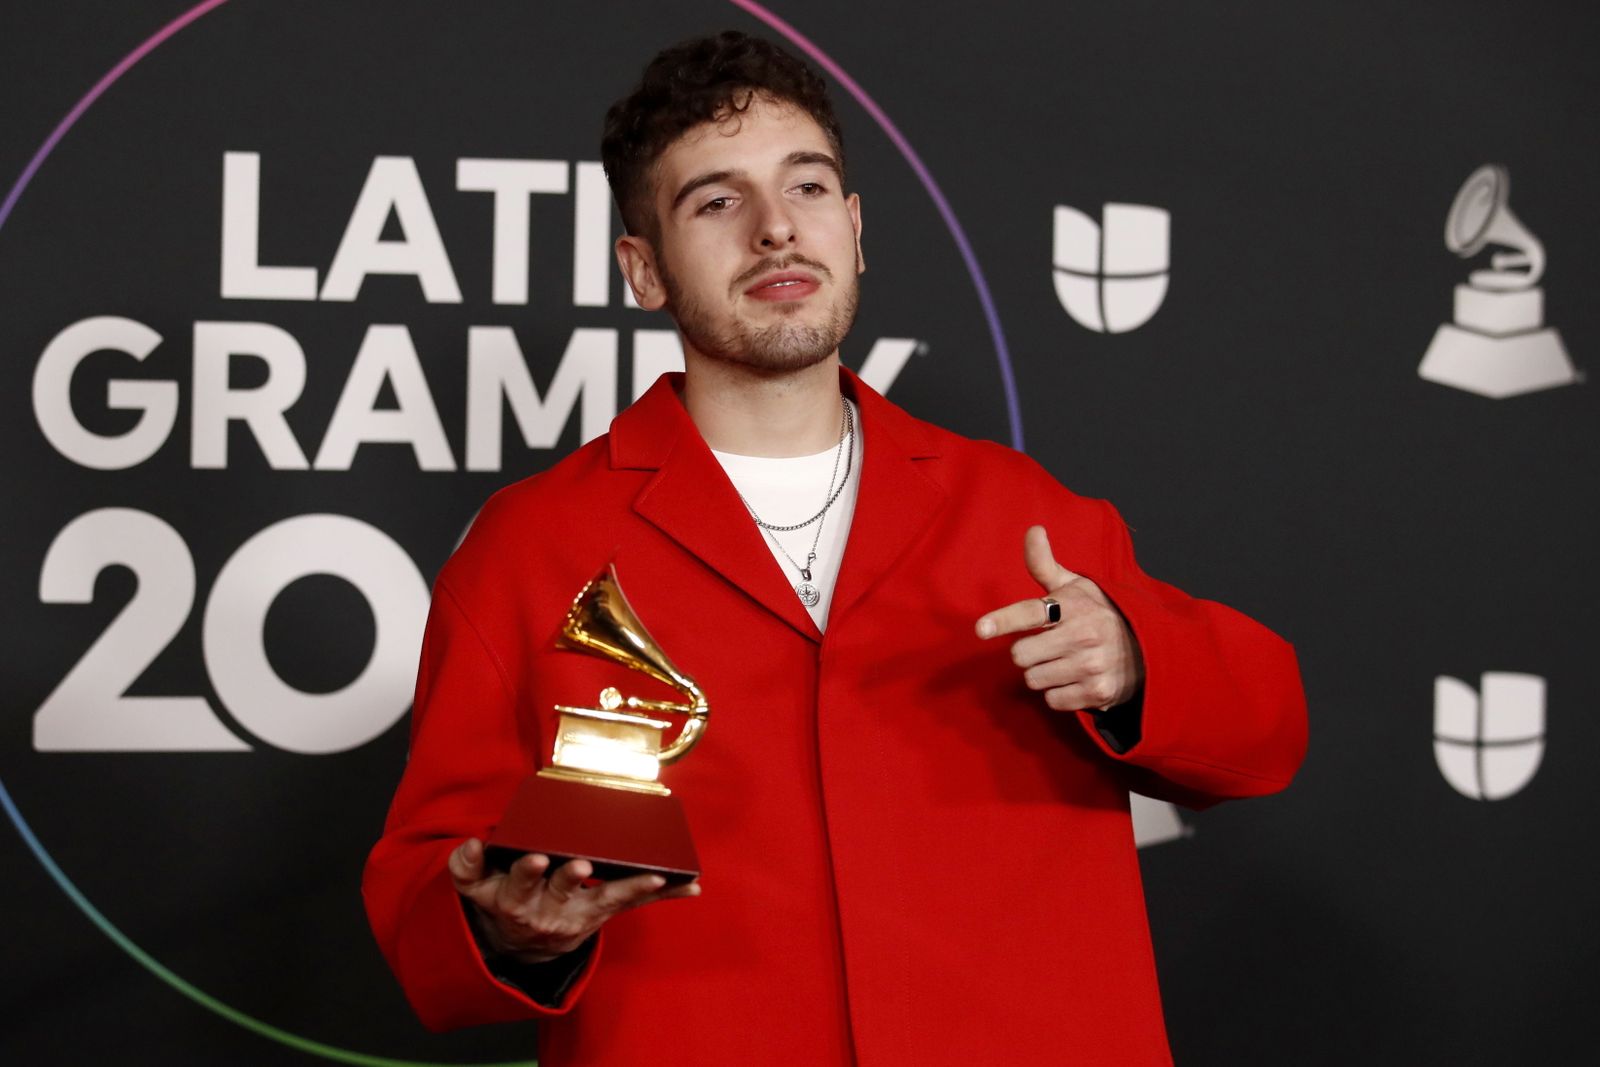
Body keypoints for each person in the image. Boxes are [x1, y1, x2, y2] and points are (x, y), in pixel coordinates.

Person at [363, 30, 1307, 1066]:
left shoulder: (1022, 511)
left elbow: (1267, 731)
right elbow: (424, 895)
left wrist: (1133, 659)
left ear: (853, 230)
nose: (775, 228)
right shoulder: (526, 548)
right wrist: (509, 930)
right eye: (716, 202)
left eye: (806, 187)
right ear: (643, 270)